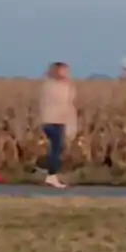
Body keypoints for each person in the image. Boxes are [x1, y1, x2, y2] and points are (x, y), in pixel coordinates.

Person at [38, 61, 76, 189]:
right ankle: (51, 175)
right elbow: (63, 103)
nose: (67, 73)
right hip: (53, 121)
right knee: (56, 149)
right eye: (64, 70)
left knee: (56, 149)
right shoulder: (53, 86)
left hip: (57, 120)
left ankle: (51, 175)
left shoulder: (59, 85)